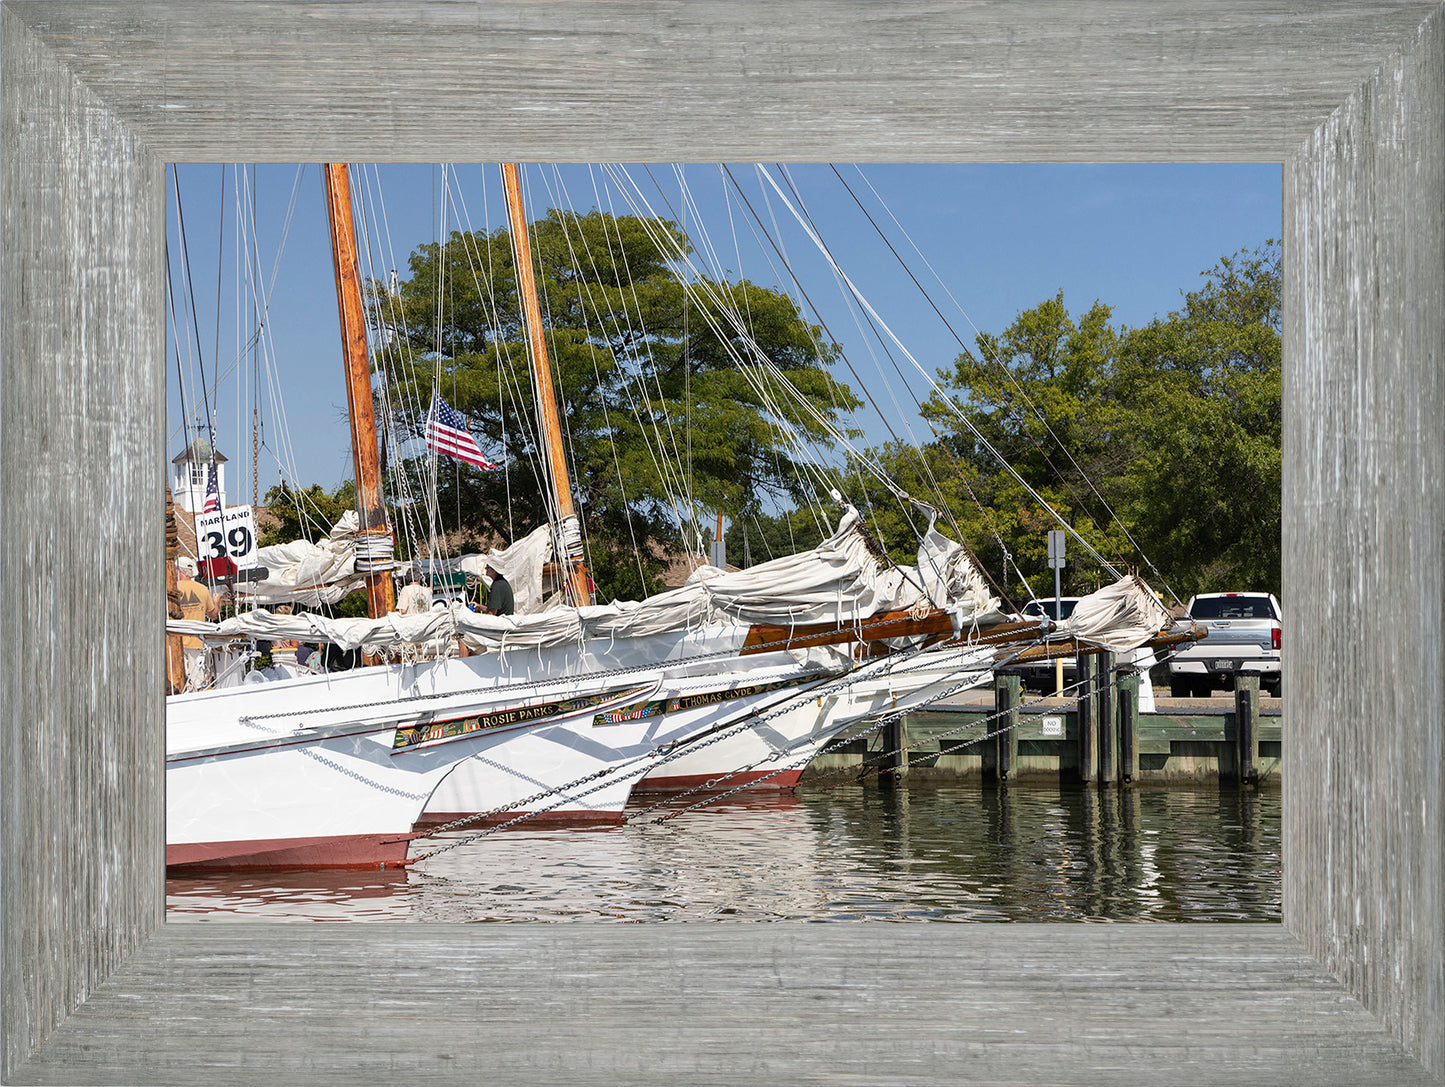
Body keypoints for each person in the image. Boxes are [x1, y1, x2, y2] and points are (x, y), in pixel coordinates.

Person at [175, 557, 218, 691]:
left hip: (176, 642)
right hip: (197, 642)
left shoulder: (172, 589)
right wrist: (216, 602)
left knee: (179, 683)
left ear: (179, 571)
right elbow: (213, 614)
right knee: (199, 682)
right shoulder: (202, 589)